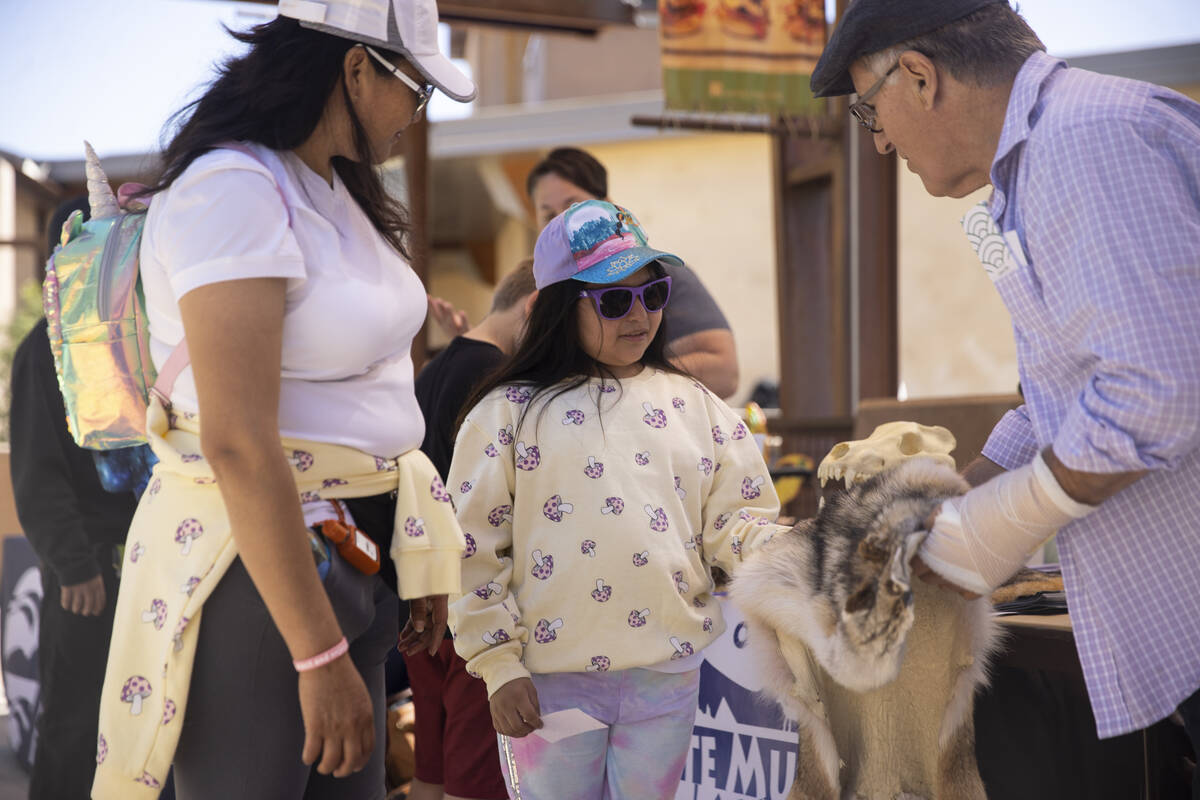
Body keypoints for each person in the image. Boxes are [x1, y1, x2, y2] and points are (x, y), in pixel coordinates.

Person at [809, 0, 1200, 782]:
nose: (878, 140)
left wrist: (989, 530)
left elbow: (1155, 395)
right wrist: (940, 509)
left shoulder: (1083, 142)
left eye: (868, 109)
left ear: (918, 77)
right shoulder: (1009, 194)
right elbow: (1054, 395)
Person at [91, 2, 474, 797]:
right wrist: (318, 651)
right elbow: (234, 438)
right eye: (417, 89)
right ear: (356, 67)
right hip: (263, 572)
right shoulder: (233, 188)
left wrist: (407, 543)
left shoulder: (329, 186)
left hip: (339, 569)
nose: (417, 115)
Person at [433, 200, 788, 799]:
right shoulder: (506, 414)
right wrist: (497, 667)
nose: (639, 315)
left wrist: (801, 555)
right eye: (613, 299)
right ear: (557, 308)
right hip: (548, 685)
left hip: (667, 679)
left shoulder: (695, 402)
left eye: (652, 294)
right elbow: (470, 548)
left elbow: (740, 522)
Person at [9, 197, 137, 800]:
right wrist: (75, 564)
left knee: (138, 730)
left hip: (146, 568)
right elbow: (36, 471)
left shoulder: (128, 341)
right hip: (86, 575)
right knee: (75, 726)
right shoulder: (43, 348)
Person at [402, 260, 537, 800]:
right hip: (468, 608)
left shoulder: (437, 367)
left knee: (430, 770)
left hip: (417, 594)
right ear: (533, 308)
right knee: (475, 779)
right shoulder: (496, 380)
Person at [526, 147, 740, 399]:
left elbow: (725, 372)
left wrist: (633, 377)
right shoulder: (510, 409)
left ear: (607, 204)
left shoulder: (662, 272)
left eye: (652, 295)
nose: (563, 222)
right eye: (549, 216)